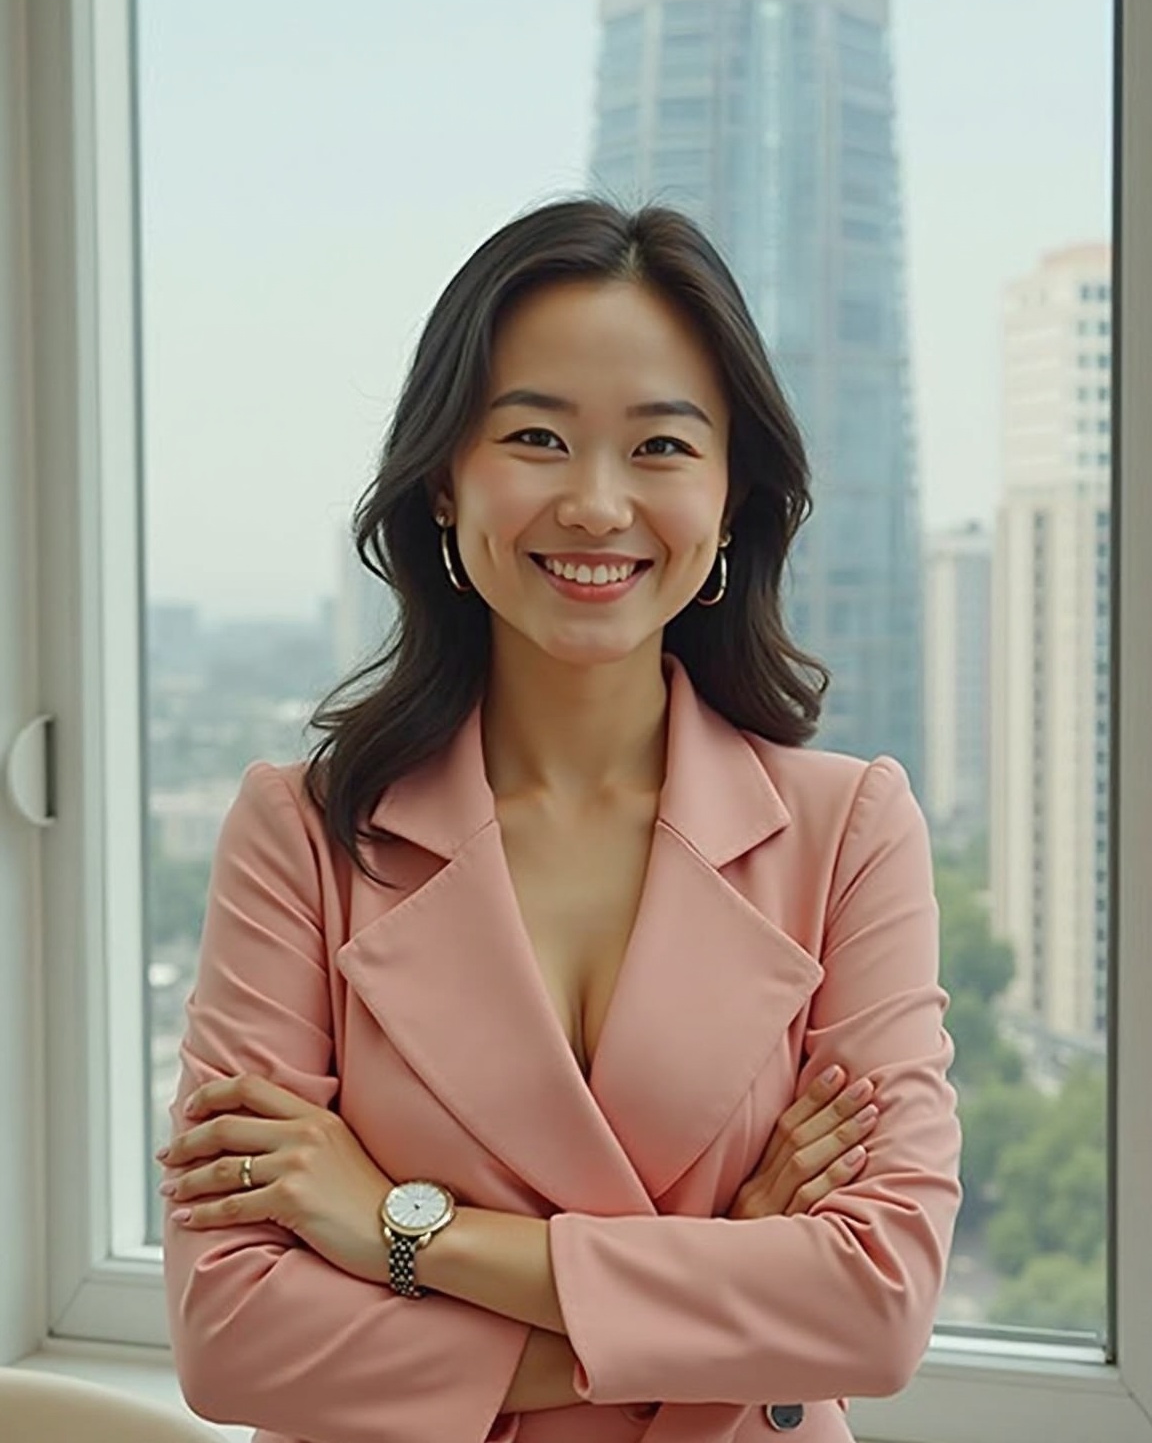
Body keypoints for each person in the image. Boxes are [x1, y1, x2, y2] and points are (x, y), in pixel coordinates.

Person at [158, 198, 963, 1443]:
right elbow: (234, 1336)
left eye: (659, 447)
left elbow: (875, 1306)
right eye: (536, 436)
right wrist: (722, 1279)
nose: (595, 504)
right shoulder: (304, 837)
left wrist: (396, 1231)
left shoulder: (849, 830)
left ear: (733, 497)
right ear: (442, 479)